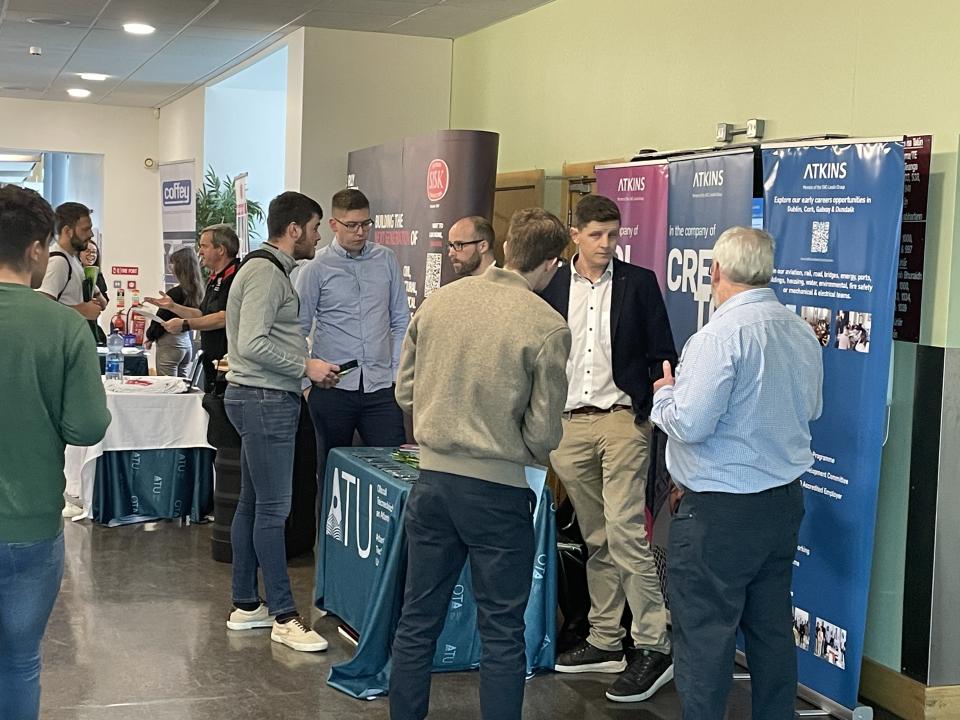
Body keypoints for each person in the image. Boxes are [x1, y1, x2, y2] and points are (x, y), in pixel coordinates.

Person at [390, 208, 571, 720]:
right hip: (497, 491)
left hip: (431, 482)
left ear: (507, 246)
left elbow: (404, 390)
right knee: (501, 630)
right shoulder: (547, 325)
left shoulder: (439, 303)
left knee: (418, 618)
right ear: (552, 264)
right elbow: (543, 429)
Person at [650, 226, 823, 720]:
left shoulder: (718, 336)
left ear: (717, 271)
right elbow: (811, 408)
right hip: (782, 505)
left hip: (717, 515)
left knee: (704, 637)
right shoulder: (800, 331)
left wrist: (665, 393)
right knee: (771, 634)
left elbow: (690, 423)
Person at [541, 194, 676, 703]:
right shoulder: (552, 284)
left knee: (624, 533)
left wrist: (645, 407)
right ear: (575, 235)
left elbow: (664, 352)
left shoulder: (639, 284)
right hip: (568, 427)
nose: (605, 244)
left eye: (613, 235)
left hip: (622, 421)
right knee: (596, 536)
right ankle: (604, 639)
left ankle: (653, 643)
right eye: (596, 235)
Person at [0, 185, 111, 719]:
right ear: (38, 250)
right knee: (20, 663)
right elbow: (86, 426)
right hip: (30, 525)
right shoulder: (65, 327)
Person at [223, 191, 339, 652]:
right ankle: (285, 616)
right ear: (294, 230)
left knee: (252, 506)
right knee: (273, 511)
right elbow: (251, 344)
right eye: (315, 227)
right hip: (265, 400)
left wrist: (302, 366)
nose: (318, 235)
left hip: (260, 397)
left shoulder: (265, 271)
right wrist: (305, 367)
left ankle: (246, 604)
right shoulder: (267, 275)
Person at [295, 188, 409, 488]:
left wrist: (396, 374)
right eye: (352, 225)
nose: (360, 232)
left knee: (393, 471)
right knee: (330, 474)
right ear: (334, 225)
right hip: (333, 389)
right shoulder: (316, 267)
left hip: (381, 388)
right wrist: (306, 383)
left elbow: (400, 320)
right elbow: (297, 328)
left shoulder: (386, 260)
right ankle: (329, 534)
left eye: (366, 224)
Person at [147, 224, 240, 390]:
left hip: (229, 365)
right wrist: (173, 306)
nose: (200, 252)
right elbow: (201, 314)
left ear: (221, 250)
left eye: (204, 246)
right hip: (212, 362)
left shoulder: (235, 277)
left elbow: (223, 317)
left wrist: (184, 324)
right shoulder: (214, 278)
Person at [37, 202, 105, 321]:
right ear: (67, 231)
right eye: (85, 229)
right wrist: (81, 310)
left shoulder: (73, 260)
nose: (91, 234)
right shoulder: (59, 262)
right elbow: (40, 307)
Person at [145, 247, 203, 377]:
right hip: (186, 344)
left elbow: (160, 319)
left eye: (173, 263)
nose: (171, 267)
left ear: (180, 266)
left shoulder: (175, 293)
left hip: (170, 344)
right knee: (182, 385)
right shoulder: (198, 291)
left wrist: (150, 337)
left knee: (167, 387)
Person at [79, 239, 109, 344]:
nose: (91, 254)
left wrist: (97, 291)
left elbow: (103, 305)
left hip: (91, 324)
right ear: (79, 253)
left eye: (94, 252)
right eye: (87, 251)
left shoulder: (98, 276)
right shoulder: (72, 274)